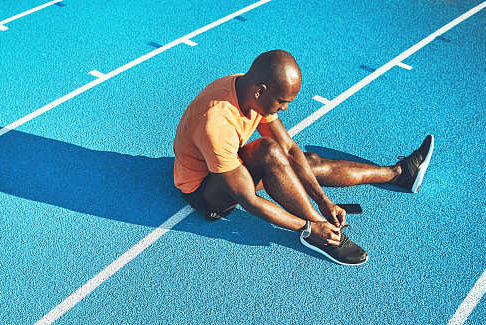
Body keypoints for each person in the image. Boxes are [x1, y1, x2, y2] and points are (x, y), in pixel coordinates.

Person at [172, 49, 434, 265]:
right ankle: (320, 234)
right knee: (269, 151)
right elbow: (249, 200)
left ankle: (399, 174)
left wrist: (324, 201)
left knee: (304, 160)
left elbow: (289, 148)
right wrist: (308, 226)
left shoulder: (247, 87)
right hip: (205, 190)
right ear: (260, 91)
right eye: (282, 102)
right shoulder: (216, 123)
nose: (284, 108)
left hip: (224, 161)